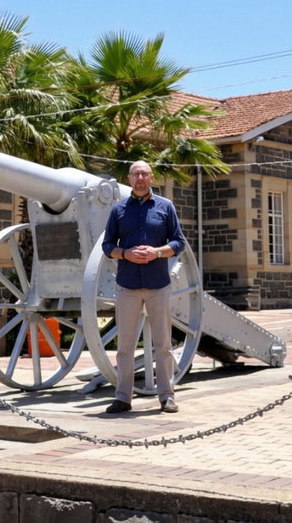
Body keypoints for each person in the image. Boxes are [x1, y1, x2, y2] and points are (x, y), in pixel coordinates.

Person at [101, 160, 186, 415]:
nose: (140, 178)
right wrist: (125, 253)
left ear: (151, 178)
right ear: (129, 179)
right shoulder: (118, 210)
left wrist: (156, 252)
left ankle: (167, 396)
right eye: (136, 174)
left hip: (157, 284)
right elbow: (107, 245)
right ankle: (122, 398)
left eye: (144, 174)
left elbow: (178, 242)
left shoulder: (165, 207)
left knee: (163, 345)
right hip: (127, 285)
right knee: (125, 346)